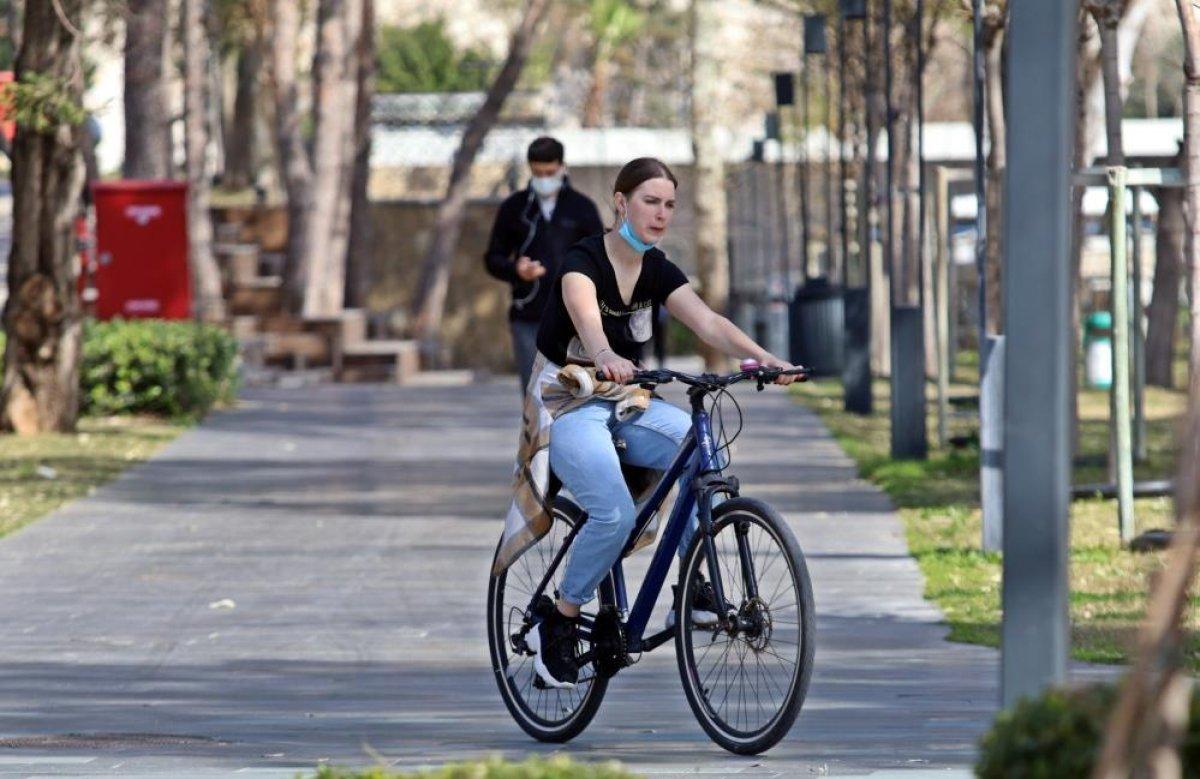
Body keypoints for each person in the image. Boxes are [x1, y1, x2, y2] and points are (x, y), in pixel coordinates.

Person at [520, 157, 799, 689]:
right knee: (612, 513)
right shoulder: (584, 260)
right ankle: (561, 617)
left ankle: (691, 591)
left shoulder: (657, 268)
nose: (662, 213)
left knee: (699, 446)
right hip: (568, 402)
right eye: (651, 201)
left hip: (626, 401)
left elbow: (709, 321)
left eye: (670, 204)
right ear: (621, 202)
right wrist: (602, 352)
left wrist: (767, 359)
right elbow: (584, 313)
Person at [484, 136, 604, 393]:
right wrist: (516, 269)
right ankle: (538, 434)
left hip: (575, 318)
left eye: (550, 172)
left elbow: (601, 257)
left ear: (562, 167)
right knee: (535, 391)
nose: (544, 178)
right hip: (528, 316)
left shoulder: (582, 208)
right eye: (538, 172)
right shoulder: (514, 208)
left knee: (577, 391)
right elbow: (493, 258)